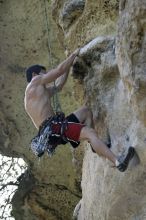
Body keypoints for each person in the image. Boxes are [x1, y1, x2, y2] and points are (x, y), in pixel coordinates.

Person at [24, 49, 135, 172]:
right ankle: (118, 162)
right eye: (43, 74)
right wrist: (73, 55)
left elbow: (58, 86)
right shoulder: (34, 83)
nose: (45, 76)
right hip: (53, 129)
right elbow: (58, 71)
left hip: (54, 129)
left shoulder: (38, 93)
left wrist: (69, 65)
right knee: (90, 134)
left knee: (86, 111)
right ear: (35, 75)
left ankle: (95, 145)